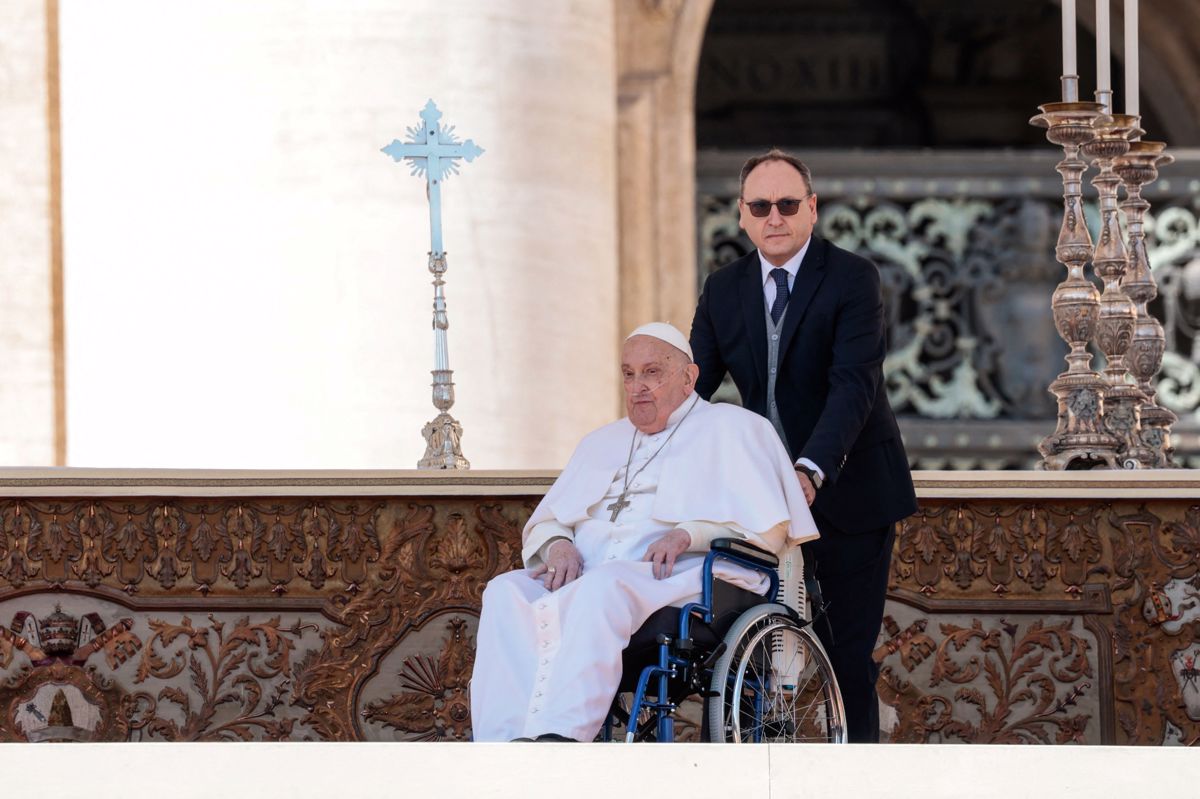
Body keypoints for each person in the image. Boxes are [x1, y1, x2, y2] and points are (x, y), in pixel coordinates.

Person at [469, 322, 817, 742]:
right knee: (506, 591)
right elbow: (550, 519)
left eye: (652, 372)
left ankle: (559, 736)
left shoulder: (735, 428)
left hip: (684, 575)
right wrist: (558, 544)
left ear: (689, 378)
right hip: (593, 575)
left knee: (604, 589)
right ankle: (500, 740)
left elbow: (769, 528)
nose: (638, 387)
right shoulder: (601, 441)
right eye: (629, 374)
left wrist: (690, 533)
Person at [689, 149, 917, 743]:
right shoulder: (722, 290)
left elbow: (853, 383)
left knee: (846, 661)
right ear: (742, 216)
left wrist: (811, 470)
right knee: (748, 662)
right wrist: (640, 452)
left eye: (788, 204)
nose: (775, 217)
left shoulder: (852, 277)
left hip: (850, 493)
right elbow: (692, 392)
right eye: (760, 206)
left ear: (811, 210)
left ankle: (857, 780)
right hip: (757, 505)